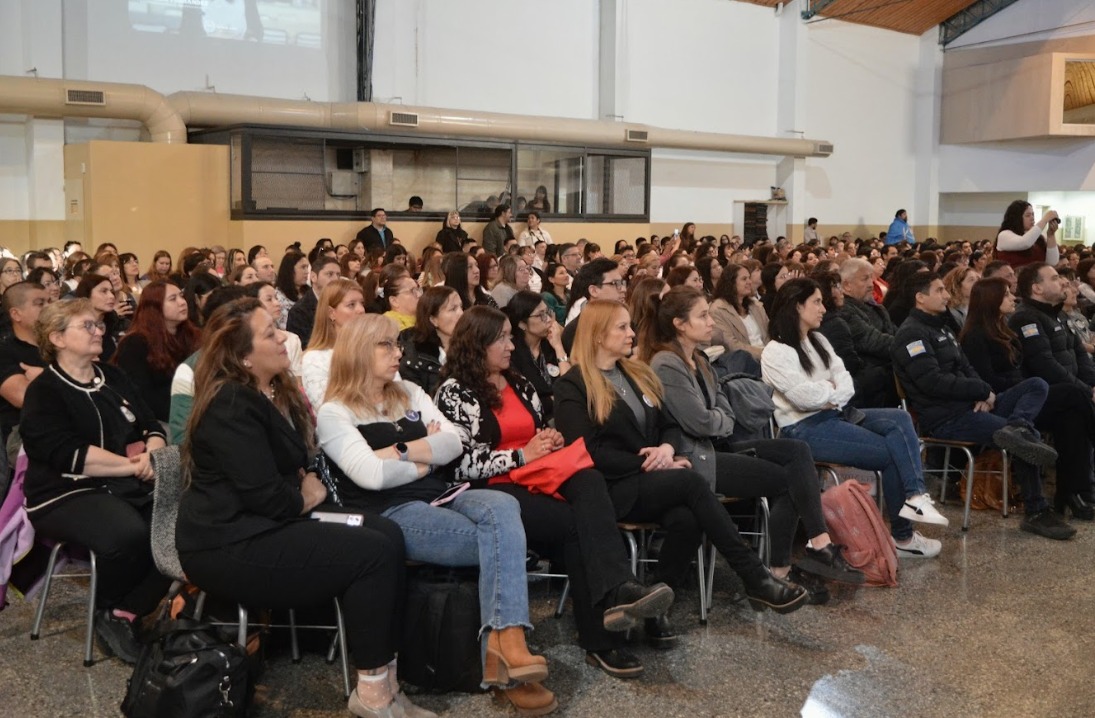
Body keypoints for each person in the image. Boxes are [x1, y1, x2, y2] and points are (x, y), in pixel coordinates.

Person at [176, 299, 418, 718]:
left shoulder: (275, 390)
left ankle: (389, 678)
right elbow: (269, 497)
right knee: (373, 553)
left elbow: (293, 470)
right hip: (229, 541)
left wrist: (305, 487)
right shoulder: (229, 404)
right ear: (243, 356)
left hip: (270, 520)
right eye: (270, 333)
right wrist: (309, 493)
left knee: (387, 533)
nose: (283, 337)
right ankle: (373, 692)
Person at [317, 315, 552, 714]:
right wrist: (425, 457)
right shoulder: (335, 413)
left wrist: (401, 452)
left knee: (504, 505)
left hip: (441, 492)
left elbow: (453, 443)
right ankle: (504, 654)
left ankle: (505, 643)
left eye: (397, 343)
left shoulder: (409, 391)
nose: (398, 352)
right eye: (386, 345)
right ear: (357, 351)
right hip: (391, 511)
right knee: (501, 541)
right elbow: (371, 476)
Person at [436, 306, 675, 679]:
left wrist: (548, 440)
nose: (511, 345)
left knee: (590, 480)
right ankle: (603, 630)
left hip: (535, 476)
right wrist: (521, 455)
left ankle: (619, 592)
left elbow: (534, 435)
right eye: (502, 338)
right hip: (490, 491)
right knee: (574, 524)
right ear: (477, 344)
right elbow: (458, 466)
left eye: (510, 337)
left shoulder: (518, 383)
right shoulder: (454, 393)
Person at [554, 299, 808, 613]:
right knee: (690, 481)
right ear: (597, 335)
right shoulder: (573, 385)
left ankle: (656, 611)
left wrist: (667, 449)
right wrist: (650, 463)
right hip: (611, 487)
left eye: (630, 325)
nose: (632, 333)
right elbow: (587, 452)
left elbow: (669, 425)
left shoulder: (635, 373)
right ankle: (755, 577)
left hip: (651, 478)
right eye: (622, 327)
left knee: (687, 519)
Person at [645, 286, 863, 600]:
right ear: (679, 324)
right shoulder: (667, 363)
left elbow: (722, 408)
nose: (711, 322)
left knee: (796, 452)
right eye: (703, 316)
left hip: (716, 445)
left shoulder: (699, 359)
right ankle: (780, 570)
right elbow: (700, 421)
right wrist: (720, 418)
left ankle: (817, 543)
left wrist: (719, 418)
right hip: (694, 456)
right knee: (787, 480)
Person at [22, 299, 170, 664]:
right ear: (57, 338)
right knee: (128, 533)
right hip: (64, 492)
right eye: (87, 326)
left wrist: (153, 453)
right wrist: (133, 466)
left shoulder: (112, 377)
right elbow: (68, 453)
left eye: (99, 325)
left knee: (183, 524)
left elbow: (151, 424)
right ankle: (107, 606)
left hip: (126, 481)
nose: (98, 331)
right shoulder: (45, 390)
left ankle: (125, 611)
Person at [763, 278, 949, 558]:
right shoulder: (775, 351)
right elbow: (803, 398)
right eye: (816, 302)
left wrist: (829, 395)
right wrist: (830, 391)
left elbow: (846, 382)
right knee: (892, 452)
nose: (823, 308)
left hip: (836, 414)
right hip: (802, 429)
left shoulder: (818, 340)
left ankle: (915, 496)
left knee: (900, 419)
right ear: (797, 306)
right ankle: (904, 538)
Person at [891, 273, 1072, 541]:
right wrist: (980, 391)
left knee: (1036, 385)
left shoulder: (941, 327)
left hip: (973, 406)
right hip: (948, 418)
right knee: (1023, 439)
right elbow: (932, 382)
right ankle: (1036, 511)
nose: (946, 295)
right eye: (939, 290)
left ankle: (1019, 425)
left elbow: (967, 367)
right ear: (920, 297)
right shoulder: (911, 335)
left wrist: (983, 391)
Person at [960, 276, 1095, 520]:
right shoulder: (975, 335)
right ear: (991, 300)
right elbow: (987, 379)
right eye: (1006, 294)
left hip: (1024, 397)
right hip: (1003, 402)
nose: (1013, 298)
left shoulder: (1003, 329)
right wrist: (1021, 386)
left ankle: (1073, 493)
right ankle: (1071, 494)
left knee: (1072, 417)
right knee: (1073, 393)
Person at [112, 281, 200, 424]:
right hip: (159, 419)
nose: (182, 302)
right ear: (155, 307)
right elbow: (140, 395)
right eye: (173, 299)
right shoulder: (135, 344)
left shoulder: (193, 336)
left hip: (194, 409)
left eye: (181, 296)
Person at [1008, 262, 1095, 396]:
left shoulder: (1059, 314)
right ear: (1037, 289)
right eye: (1055, 279)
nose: (1062, 283)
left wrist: (1092, 385)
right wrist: (1086, 391)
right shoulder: (1025, 318)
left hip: (1077, 390)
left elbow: (1080, 353)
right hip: (1051, 395)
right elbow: (1045, 365)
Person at [0, 282, 48, 475]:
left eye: (49, 302)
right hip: (25, 435)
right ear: (16, 314)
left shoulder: (61, 346)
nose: (49, 308)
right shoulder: (5, 352)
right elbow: (23, 396)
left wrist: (42, 376)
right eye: (40, 303)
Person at [505, 291, 570, 422]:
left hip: (563, 412)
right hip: (536, 420)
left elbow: (570, 385)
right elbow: (526, 402)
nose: (549, 319)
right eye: (541, 315)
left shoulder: (552, 343)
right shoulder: (512, 353)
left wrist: (558, 347)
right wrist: (557, 399)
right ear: (522, 324)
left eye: (548, 312)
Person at [302, 279, 367, 410]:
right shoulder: (315, 359)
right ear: (331, 313)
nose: (361, 310)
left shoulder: (372, 348)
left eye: (362, 303)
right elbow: (326, 407)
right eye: (351, 305)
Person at [399, 286, 460, 397]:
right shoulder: (415, 358)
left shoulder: (469, 347)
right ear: (433, 319)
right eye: (453, 309)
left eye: (461, 307)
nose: (461, 313)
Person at [710, 263, 769, 361]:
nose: (749, 282)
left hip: (768, 357)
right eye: (744, 279)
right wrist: (764, 354)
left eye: (749, 278)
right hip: (744, 361)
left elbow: (769, 334)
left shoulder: (756, 306)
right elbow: (730, 344)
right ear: (731, 283)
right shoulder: (718, 310)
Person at [287, 254, 342, 348]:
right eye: (330, 274)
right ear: (313, 277)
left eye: (338, 275)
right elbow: (305, 346)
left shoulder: (341, 303)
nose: (335, 279)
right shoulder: (299, 311)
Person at [995, 200, 1059, 269]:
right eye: (1028, 215)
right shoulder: (1004, 235)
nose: (1032, 218)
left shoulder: (1037, 238)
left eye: (1033, 214)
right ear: (1016, 218)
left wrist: (1051, 235)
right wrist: (1044, 220)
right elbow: (1025, 243)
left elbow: (1052, 263)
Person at [273, 251, 309, 329]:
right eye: (303, 267)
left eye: (307, 267)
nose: (307, 272)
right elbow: (285, 326)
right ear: (290, 270)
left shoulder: (308, 291)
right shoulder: (278, 296)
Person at [943, 266, 980, 330]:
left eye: (977, 279)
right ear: (957, 285)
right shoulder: (952, 313)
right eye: (971, 280)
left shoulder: (978, 307)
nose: (977, 283)